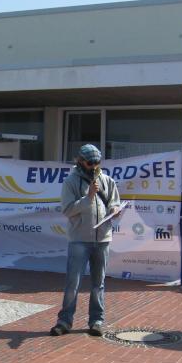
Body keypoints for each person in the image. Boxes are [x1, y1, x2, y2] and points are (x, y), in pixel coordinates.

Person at [51, 144, 121, 337]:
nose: (94, 166)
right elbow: (67, 210)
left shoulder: (107, 180)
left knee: (99, 283)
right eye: (90, 163)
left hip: (103, 239)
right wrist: (88, 197)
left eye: (97, 162)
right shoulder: (70, 182)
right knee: (72, 283)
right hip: (79, 240)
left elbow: (114, 202)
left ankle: (96, 321)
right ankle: (64, 321)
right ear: (80, 161)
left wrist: (115, 210)